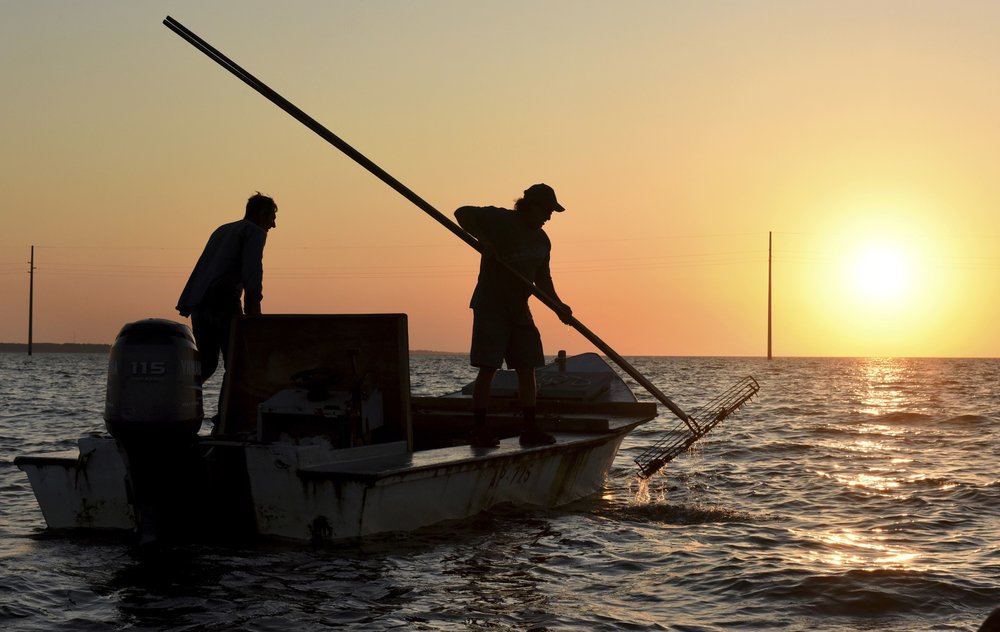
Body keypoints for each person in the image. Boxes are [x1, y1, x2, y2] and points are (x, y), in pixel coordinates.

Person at [455, 183, 573, 448]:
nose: (549, 217)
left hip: (519, 308)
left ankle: (530, 430)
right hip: (491, 305)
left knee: (527, 366)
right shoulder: (500, 219)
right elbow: (461, 213)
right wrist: (485, 241)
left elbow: (543, 279)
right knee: (488, 367)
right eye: (546, 211)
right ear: (530, 206)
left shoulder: (542, 241)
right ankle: (479, 429)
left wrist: (558, 306)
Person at [176, 192, 278, 387]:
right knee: (238, 361)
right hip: (221, 301)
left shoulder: (223, 230)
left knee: (207, 362)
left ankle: (178, 396)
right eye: (272, 218)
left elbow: (203, 268)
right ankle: (229, 413)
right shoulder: (254, 232)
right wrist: (253, 313)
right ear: (262, 214)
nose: (273, 225)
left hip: (199, 304)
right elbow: (252, 271)